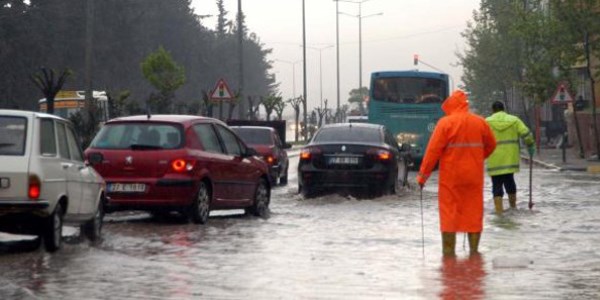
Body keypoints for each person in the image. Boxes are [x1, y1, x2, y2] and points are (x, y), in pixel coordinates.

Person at [416, 90, 496, 256]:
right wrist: (477, 158)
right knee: (473, 211)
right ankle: (474, 254)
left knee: (449, 213)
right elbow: (491, 145)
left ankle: (449, 255)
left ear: (450, 105)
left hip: (451, 177)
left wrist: (423, 177)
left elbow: (433, 152)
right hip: (473, 176)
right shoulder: (480, 122)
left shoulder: (445, 123)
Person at [485, 101, 535, 214]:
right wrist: (530, 145)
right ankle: (513, 207)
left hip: (494, 159)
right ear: (504, 109)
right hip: (510, 159)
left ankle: (499, 211)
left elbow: (479, 136)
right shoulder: (514, 120)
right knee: (510, 182)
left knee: (496, 184)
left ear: (493, 110)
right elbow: (526, 133)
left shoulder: (486, 122)